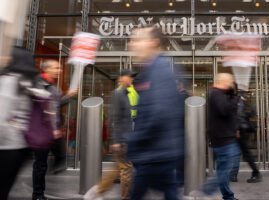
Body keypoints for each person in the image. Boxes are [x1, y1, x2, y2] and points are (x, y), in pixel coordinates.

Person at [125, 27, 183, 200]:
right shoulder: (152, 69)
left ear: (153, 42)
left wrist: (134, 143)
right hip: (159, 153)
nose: (131, 44)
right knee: (170, 191)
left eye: (137, 39)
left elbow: (159, 113)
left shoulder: (159, 70)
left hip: (153, 154)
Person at [0, 47, 50, 200]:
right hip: (21, 145)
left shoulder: (10, 80)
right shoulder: (32, 82)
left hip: (5, 146)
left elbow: (2, 116)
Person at [84, 69, 138, 200]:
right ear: (122, 78)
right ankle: (125, 197)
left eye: (132, 77)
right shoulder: (118, 94)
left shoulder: (125, 94)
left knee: (117, 170)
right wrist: (115, 140)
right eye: (129, 77)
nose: (132, 79)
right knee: (126, 170)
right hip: (122, 139)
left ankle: (97, 191)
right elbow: (114, 118)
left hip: (126, 137)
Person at [32, 60, 77, 200]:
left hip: (52, 130)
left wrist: (68, 96)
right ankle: (38, 195)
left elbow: (55, 105)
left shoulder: (52, 86)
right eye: (56, 67)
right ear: (46, 69)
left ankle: (55, 166)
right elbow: (44, 108)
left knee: (58, 155)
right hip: (41, 131)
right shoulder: (39, 83)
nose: (59, 70)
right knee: (40, 164)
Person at [205, 73, 241, 200]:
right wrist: (235, 98)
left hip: (224, 138)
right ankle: (208, 189)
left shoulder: (219, 94)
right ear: (223, 81)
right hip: (224, 140)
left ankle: (227, 195)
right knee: (223, 170)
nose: (232, 83)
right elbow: (225, 110)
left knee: (224, 168)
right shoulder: (216, 94)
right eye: (230, 81)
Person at [230, 90, 262, 183]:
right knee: (243, 153)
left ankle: (255, 173)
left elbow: (238, 117)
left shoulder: (239, 104)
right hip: (243, 131)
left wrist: (237, 129)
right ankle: (234, 175)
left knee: (242, 154)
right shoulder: (246, 105)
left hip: (239, 131)